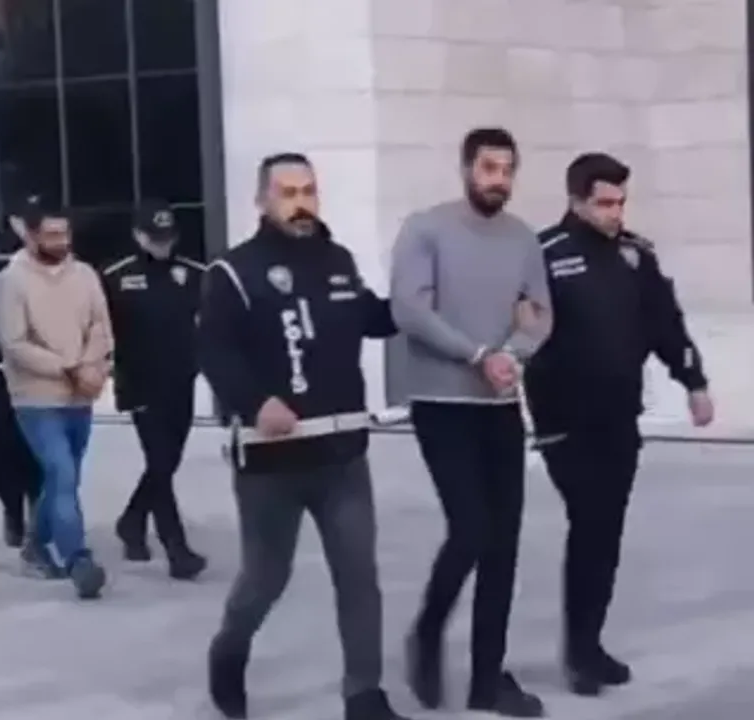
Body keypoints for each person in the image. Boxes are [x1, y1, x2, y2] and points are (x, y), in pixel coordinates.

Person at [198, 153, 406, 720]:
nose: (301, 203)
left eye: (309, 190)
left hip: (341, 455)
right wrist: (254, 402)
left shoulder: (338, 262)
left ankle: (364, 693)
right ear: (262, 201)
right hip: (272, 464)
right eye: (287, 192)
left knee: (358, 577)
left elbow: (374, 318)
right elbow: (213, 350)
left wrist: (423, 296)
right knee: (265, 579)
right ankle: (229, 650)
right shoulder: (233, 273)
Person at [524, 153, 713, 696]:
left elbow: (666, 323)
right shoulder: (544, 255)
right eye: (604, 203)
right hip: (565, 420)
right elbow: (521, 331)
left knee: (604, 530)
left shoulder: (636, 255)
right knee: (591, 520)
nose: (614, 213)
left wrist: (694, 381)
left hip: (618, 417)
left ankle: (588, 644)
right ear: (576, 200)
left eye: (620, 202)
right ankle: (580, 654)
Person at [389, 127, 552, 718]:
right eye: (488, 168)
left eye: (507, 170)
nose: (498, 180)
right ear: (466, 169)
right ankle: (428, 631)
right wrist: (477, 355)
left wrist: (513, 355)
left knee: (503, 544)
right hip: (442, 403)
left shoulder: (523, 238)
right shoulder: (426, 228)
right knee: (472, 529)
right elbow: (409, 308)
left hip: (500, 405)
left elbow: (539, 314)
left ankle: (488, 679)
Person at [0, 201, 113, 600]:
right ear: (30, 235)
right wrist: (68, 368)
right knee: (61, 471)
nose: (61, 241)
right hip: (36, 398)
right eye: (52, 234)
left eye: (65, 233)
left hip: (81, 395)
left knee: (65, 477)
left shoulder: (85, 275)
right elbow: (14, 344)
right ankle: (78, 559)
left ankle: (35, 545)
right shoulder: (11, 281)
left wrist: (93, 367)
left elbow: (100, 326)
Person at [100, 200, 207, 580]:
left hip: (180, 382)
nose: (162, 244)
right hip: (140, 383)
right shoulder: (116, 276)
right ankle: (176, 548)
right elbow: (101, 330)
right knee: (160, 462)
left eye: (167, 237)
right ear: (137, 235)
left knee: (166, 463)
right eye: (154, 237)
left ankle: (132, 520)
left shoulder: (195, 273)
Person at [0, 194, 42, 548]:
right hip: (1, 367)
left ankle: (39, 510)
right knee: (6, 442)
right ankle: (12, 510)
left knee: (42, 441)